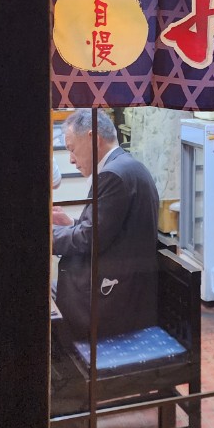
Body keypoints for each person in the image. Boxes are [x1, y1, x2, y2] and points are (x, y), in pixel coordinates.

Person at [51, 109, 159, 343]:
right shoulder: (125, 166)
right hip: (122, 283)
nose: (71, 159)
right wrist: (71, 223)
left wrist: (47, 237)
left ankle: (60, 362)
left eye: (72, 149)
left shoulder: (113, 175)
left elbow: (89, 239)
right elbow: (107, 231)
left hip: (112, 298)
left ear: (93, 138)